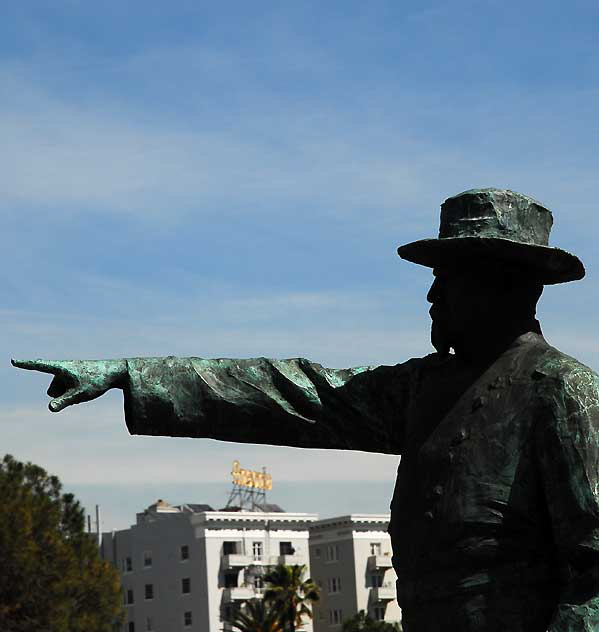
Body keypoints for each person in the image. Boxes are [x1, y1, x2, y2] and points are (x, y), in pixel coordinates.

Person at [13, 188, 599, 631]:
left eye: (450, 278)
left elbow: (593, 581)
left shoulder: (562, 392)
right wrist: (131, 374)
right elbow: (290, 392)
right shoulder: (424, 389)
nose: (431, 296)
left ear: (509, 286)